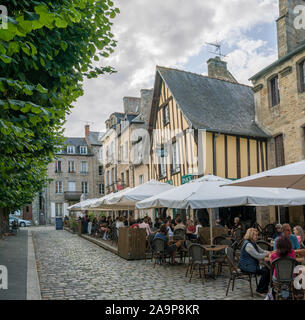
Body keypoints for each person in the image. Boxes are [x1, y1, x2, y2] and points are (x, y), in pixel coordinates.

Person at [238, 228, 271, 296]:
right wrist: (267, 254)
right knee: (266, 271)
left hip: (251, 264)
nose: (257, 236)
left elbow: (261, 251)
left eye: (257, 235)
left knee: (268, 270)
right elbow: (257, 256)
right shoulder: (248, 245)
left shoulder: (253, 243)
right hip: (246, 266)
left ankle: (264, 289)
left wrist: (270, 252)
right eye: (255, 235)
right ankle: (259, 290)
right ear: (250, 235)